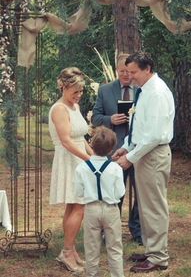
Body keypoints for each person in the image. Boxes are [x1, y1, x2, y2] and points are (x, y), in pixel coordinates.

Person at [113, 52, 175, 273]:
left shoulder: (156, 92)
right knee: (146, 208)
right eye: (127, 72)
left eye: (133, 72)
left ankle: (159, 257)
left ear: (147, 69)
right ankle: (151, 250)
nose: (129, 76)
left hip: (153, 155)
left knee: (154, 207)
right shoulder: (144, 91)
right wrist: (126, 146)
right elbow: (140, 128)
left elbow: (155, 135)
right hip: (144, 152)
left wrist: (130, 158)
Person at [91, 53, 142, 244]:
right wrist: (110, 119)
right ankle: (111, 230)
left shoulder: (141, 89)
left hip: (138, 148)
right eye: (122, 71)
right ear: (116, 70)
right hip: (114, 150)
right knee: (113, 192)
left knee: (140, 192)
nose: (126, 75)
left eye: (129, 72)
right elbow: (96, 117)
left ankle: (137, 231)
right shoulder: (105, 90)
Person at [49, 67, 93, 273]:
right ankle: (67, 252)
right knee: (79, 206)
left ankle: (70, 249)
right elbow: (66, 141)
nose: (79, 95)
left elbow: (80, 137)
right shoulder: (59, 109)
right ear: (63, 87)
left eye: (81, 91)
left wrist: (95, 157)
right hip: (69, 160)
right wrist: (88, 161)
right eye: (75, 91)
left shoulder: (74, 107)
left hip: (80, 157)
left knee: (74, 206)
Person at [74, 126, 125, 277]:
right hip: (111, 209)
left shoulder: (82, 168)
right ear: (111, 149)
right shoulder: (115, 168)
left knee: (91, 246)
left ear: (91, 145)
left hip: (91, 209)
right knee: (114, 246)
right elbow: (120, 192)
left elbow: (78, 192)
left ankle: (92, 274)